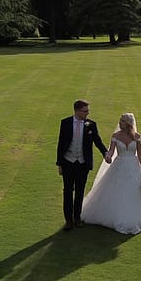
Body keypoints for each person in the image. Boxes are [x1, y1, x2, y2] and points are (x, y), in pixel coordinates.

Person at [81, 113, 141, 234]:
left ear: (128, 123)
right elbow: (112, 151)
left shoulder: (137, 136)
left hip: (133, 166)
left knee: (133, 190)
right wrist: (107, 156)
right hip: (119, 165)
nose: (120, 123)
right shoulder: (115, 136)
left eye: (123, 121)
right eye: (120, 120)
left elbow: (140, 155)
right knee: (117, 189)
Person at [56, 99, 109, 231]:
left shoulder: (91, 124)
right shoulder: (66, 123)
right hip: (68, 162)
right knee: (68, 191)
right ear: (77, 111)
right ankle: (68, 220)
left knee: (79, 191)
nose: (87, 113)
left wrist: (105, 153)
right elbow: (61, 144)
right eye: (85, 111)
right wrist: (59, 164)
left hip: (82, 163)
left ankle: (77, 217)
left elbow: (97, 141)